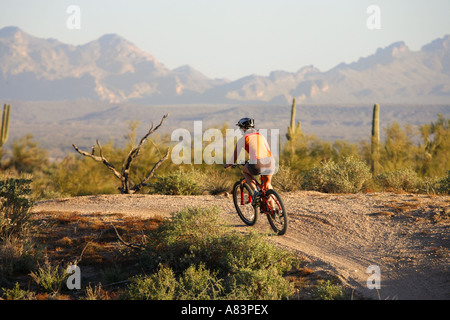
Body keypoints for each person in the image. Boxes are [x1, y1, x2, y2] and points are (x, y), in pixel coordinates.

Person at [224, 117, 276, 206]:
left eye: (241, 128)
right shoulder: (261, 136)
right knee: (267, 185)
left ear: (243, 128)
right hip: (270, 161)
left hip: (257, 163)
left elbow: (234, 158)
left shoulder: (243, 139)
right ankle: (274, 209)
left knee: (245, 171)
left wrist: (228, 165)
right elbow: (267, 149)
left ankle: (255, 192)